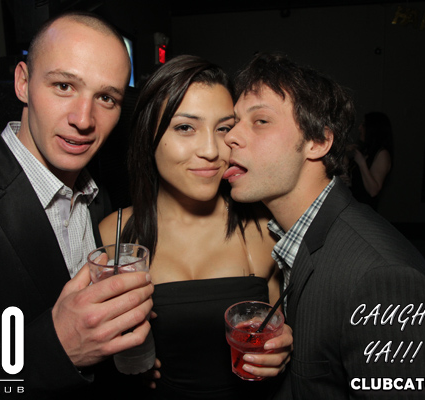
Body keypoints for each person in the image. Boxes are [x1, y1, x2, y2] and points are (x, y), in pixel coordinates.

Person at [0, 11, 153, 398]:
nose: (83, 119)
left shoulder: (99, 196)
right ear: (23, 82)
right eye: (64, 85)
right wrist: (56, 349)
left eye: (106, 98)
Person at [223, 52, 425, 399]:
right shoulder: (295, 235)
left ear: (318, 142)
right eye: (233, 122)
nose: (231, 136)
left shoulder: (381, 279)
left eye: (260, 120)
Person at [99, 55, 292, 400]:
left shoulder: (262, 230)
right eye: (185, 128)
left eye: (223, 129)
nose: (211, 151)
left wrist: (283, 348)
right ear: (148, 135)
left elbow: (281, 327)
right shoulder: (114, 235)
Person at [347, 112, 393, 210]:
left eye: (363, 125)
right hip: (353, 207)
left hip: (365, 211)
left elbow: (373, 191)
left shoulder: (382, 154)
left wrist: (361, 163)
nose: (359, 128)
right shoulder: (366, 150)